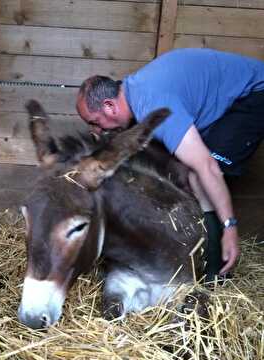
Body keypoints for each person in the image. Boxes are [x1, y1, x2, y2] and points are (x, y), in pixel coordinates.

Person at [76, 48, 264, 280]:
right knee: (182, 169)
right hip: (222, 101)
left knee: (199, 174)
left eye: (95, 123)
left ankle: (216, 273)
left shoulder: (152, 102)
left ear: (109, 106)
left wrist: (231, 226)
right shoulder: (132, 93)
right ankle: (206, 256)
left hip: (254, 94)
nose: (96, 131)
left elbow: (208, 167)